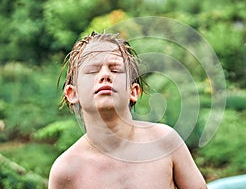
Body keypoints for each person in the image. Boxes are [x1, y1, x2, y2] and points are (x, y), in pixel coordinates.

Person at [48, 31, 207, 189]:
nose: (105, 75)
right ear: (72, 94)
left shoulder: (165, 141)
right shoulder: (66, 171)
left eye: (115, 69)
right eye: (92, 70)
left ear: (134, 91)